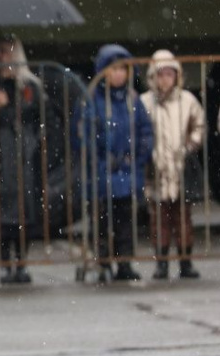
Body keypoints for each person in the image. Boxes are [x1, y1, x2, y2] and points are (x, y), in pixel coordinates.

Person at [76, 44, 153, 282]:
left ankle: (125, 262)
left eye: (122, 69)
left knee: (126, 221)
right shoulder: (91, 100)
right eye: (113, 69)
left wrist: (136, 157)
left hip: (127, 172)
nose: (118, 74)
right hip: (101, 172)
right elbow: (83, 133)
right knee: (101, 221)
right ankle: (104, 261)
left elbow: (145, 132)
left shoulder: (133, 100)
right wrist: (99, 158)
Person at [0, 35, 43, 284]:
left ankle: (21, 262)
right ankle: (4, 262)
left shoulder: (29, 85)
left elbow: (37, 114)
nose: (3, 56)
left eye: (7, 51)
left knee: (25, 211)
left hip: (22, 152)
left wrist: (13, 104)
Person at [140, 50, 205, 280]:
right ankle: (162, 262)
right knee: (159, 219)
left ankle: (185, 261)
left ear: (177, 75)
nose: (165, 78)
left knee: (183, 218)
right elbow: (139, 131)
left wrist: (190, 145)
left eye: (170, 73)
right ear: (152, 76)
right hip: (156, 168)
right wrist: (148, 151)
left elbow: (199, 125)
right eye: (161, 74)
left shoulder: (187, 100)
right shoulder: (145, 102)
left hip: (180, 167)